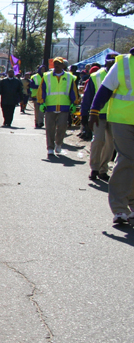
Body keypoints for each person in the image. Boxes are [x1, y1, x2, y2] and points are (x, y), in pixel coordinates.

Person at [88, 49, 134, 226]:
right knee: (127, 160)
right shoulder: (122, 63)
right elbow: (105, 90)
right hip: (122, 120)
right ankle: (119, 208)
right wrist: (94, 111)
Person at [82, 52, 119, 181]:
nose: (112, 64)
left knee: (110, 144)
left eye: (114, 62)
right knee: (98, 141)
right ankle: (94, 168)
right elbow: (88, 96)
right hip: (98, 114)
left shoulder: (122, 75)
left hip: (115, 115)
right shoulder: (96, 76)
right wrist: (85, 114)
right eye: (109, 62)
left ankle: (103, 170)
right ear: (105, 62)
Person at [37, 57, 79, 156]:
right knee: (50, 128)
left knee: (62, 126)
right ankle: (50, 147)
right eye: (55, 63)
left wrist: (74, 103)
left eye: (59, 64)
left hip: (64, 106)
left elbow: (73, 91)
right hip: (50, 106)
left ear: (63, 65)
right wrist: (41, 102)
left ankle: (58, 144)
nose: (56, 65)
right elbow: (41, 90)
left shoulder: (69, 77)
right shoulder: (47, 76)